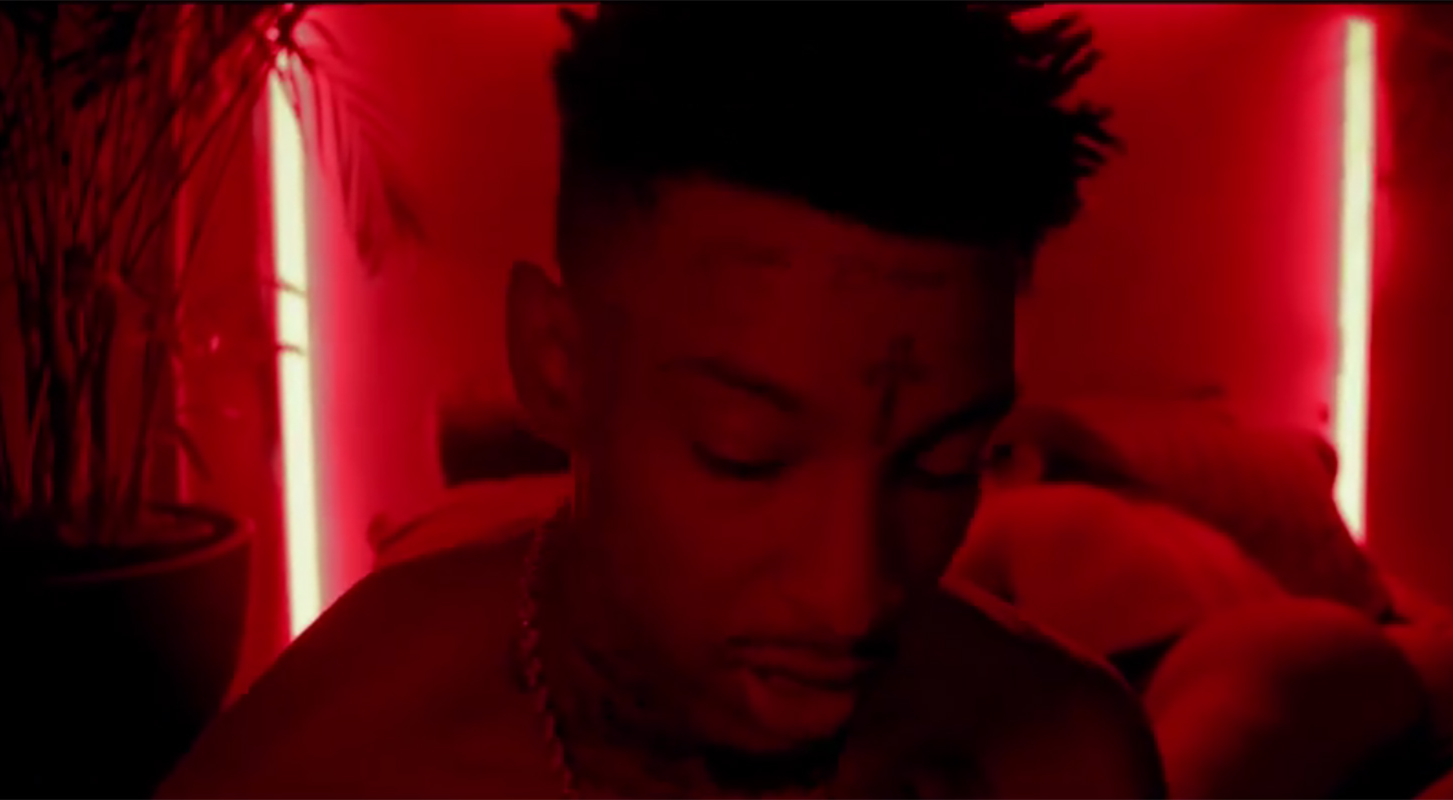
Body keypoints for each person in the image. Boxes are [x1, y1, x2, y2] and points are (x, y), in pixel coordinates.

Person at [161, 4, 1162, 797]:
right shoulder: (328, 765)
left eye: (942, 464)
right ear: (557, 365)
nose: (850, 596)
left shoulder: (1066, 753)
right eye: (746, 454)